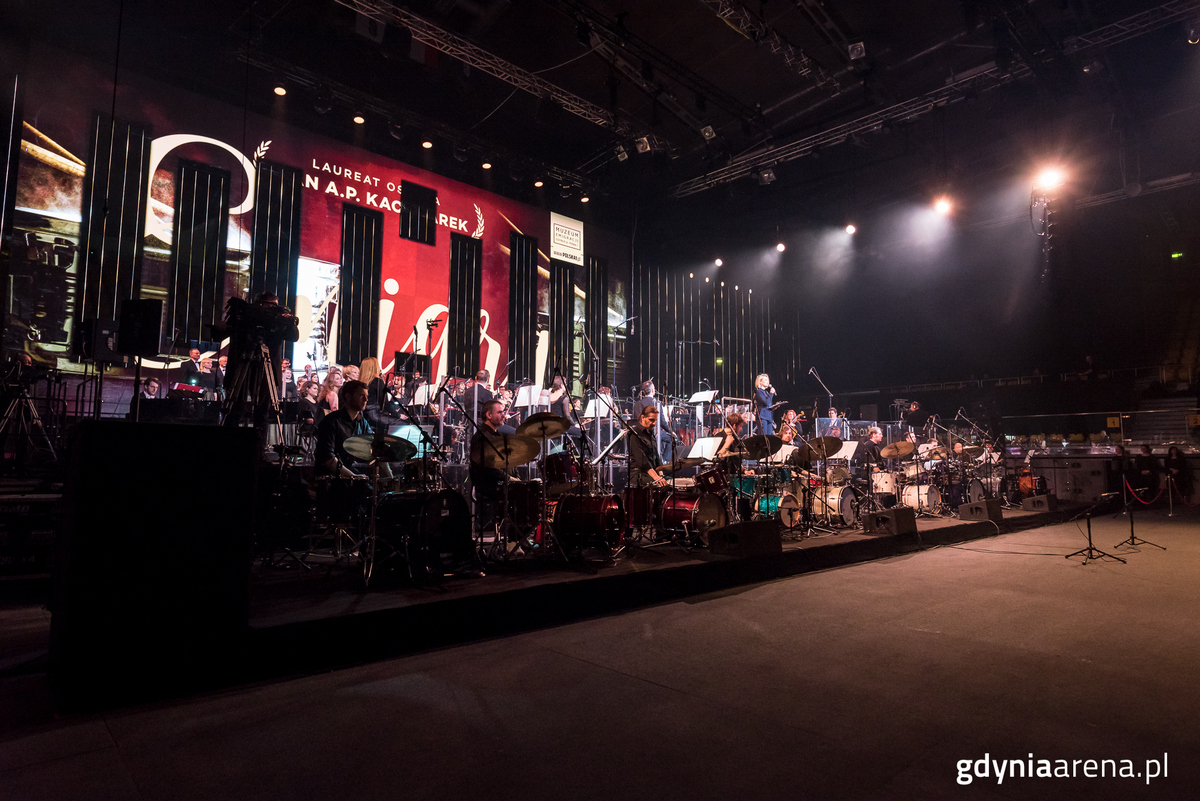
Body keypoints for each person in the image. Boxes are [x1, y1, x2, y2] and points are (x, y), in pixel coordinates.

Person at [469, 398, 519, 530]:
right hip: (491, 485)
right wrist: (510, 479)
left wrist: (516, 478)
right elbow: (487, 469)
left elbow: (511, 462)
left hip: (503, 483)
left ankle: (517, 537)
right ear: (489, 415)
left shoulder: (500, 437)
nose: (504, 415)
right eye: (500, 412)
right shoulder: (480, 437)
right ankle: (514, 537)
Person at [314, 379, 375, 478]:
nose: (365, 399)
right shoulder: (331, 421)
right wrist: (353, 477)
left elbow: (373, 449)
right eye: (361, 395)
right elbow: (327, 458)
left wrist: (390, 477)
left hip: (351, 474)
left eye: (366, 396)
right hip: (332, 480)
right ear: (348, 396)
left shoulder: (362, 422)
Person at [628, 404, 669, 488]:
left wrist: (661, 475)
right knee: (663, 486)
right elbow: (642, 461)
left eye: (656, 420)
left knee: (671, 483)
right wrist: (657, 478)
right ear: (643, 417)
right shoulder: (635, 434)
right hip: (639, 474)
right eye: (651, 420)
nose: (654, 423)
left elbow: (656, 457)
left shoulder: (650, 433)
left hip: (651, 473)